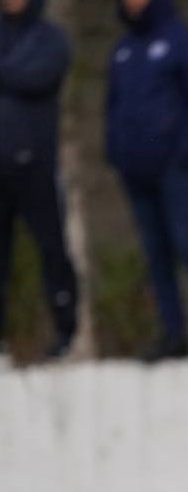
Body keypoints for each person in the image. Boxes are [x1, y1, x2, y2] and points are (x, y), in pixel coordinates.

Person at [106, 0, 188, 361]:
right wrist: (116, 153)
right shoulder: (122, 50)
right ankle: (172, 333)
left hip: (177, 169)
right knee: (155, 253)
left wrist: (181, 150)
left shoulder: (182, 40)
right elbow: (113, 108)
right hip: (136, 172)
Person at [0, 0, 78, 358]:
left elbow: (36, 77)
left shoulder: (50, 38)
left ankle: (65, 330)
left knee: (52, 249)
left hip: (36, 164)